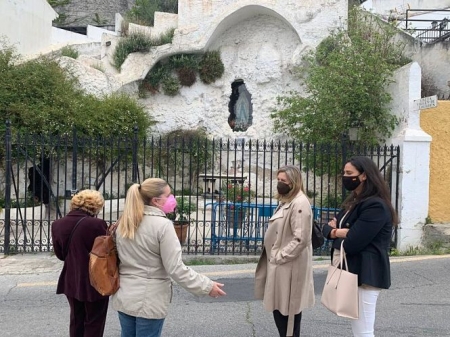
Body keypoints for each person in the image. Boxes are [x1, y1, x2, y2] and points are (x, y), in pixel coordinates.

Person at [111, 178, 226, 337]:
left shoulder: (125, 222)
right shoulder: (162, 226)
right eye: (169, 195)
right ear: (156, 201)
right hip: (149, 300)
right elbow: (176, 268)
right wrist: (207, 286)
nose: (173, 198)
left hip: (124, 296)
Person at [322, 156, 397, 337]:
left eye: (349, 173)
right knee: (358, 327)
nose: (345, 176)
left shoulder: (375, 206)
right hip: (355, 271)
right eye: (344, 173)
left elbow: (354, 242)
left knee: (364, 330)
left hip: (367, 272)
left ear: (364, 176)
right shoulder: (355, 202)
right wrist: (337, 232)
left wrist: (337, 232)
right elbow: (326, 228)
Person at [255, 165, 315, 337]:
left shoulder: (300, 204)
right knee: (281, 310)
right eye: (278, 180)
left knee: (287, 314)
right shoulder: (287, 201)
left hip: (288, 266)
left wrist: (279, 256)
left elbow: (300, 238)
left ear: (294, 183)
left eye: (284, 181)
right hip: (282, 266)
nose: (280, 184)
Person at [51, 189, 109, 337]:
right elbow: (106, 252)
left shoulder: (57, 224)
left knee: (76, 319)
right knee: (94, 321)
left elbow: (60, 254)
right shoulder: (97, 224)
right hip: (95, 279)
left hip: (71, 278)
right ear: (94, 206)